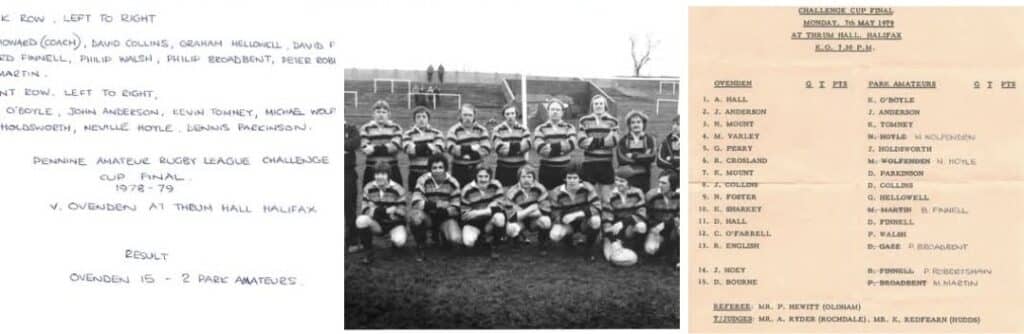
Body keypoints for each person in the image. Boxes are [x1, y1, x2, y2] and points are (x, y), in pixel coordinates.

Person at [407, 154, 462, 261]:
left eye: (440, 167)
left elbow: (456, 208)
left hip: (445, 217)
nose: (437, 170)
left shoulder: (453, 182)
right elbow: (416, 202)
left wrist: (442, 211)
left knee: (456, 239)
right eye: (434, 168)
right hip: (428, 216)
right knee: (415, 216)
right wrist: (437, 205)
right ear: (430, 169)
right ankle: (421, 245)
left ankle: (442, 235)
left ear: (445, 168)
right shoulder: (422, 180)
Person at [355, 161, 409, 265]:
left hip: (394, 224)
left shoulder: (398, 189)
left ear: (388, 175)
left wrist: (375, 209)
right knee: (361, 220)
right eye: (377, 174)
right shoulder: (368, 187)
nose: (379, 177)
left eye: (383, 174)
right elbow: (364, 209)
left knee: (399, 242)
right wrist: (385, 211)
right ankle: (368, 252)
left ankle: (395, 243)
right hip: (378, 224)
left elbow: (402, 212)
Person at [547, 163, 602, 261]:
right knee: (555, 235)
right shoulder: (556, 192)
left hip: (584, 221)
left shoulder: (588, 188)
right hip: (567, 222)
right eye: (569, 178)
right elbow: (554, 213)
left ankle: (588, 249)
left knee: (596, 221)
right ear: (565, 178)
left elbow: (597, 207)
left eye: (575, 178)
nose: (572, 181)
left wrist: (577, 214)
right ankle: (568, 242)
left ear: (580, 179)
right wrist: (562, 218)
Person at [601, 167, 647, 267]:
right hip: (614, 229)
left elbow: (642, 214)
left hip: (629, 225)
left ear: (629, 182)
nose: (618, 183)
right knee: (610, 258)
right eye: (616, 180)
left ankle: (637, 249)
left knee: (641, 226)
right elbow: (606, 220)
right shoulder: (609, 195)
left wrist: (624, 222)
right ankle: (614, 243)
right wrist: (613, 241)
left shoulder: (638, 192)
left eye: (622, 181)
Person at [577, 94, 619, 200]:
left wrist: (592, 141)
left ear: (605, 105)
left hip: (606, 163)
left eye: (601, 103)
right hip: (589, 163)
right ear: (592, 106)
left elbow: (614, 141)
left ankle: (605, 215)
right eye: (596, 104)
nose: (598, 106)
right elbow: (581, 142)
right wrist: (604, 141)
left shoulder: (613, 121)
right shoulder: (584, 120)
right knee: (590, 196)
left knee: (606, 197)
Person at [459, 166, 507, 259]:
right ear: (475, 177)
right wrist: (490, 208)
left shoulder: (496, 185)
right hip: (474, 223)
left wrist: (479, 212)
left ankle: (495, 245)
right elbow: (465, 215)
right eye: (480, 176)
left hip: (490, 220)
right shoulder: (467, 190)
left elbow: (501, 206)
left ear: (490, 177)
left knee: (500, 217)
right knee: (468, 242)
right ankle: (482, 239)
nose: (483, 179)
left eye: (486, 176)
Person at [533, 98, 577, 190]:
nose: (555, 112)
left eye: (558, 109)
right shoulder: (540, 128)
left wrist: (551, 148)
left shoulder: (569, 127)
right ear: (548, 111)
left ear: (562, 112)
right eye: (552, 109)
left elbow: (572, 144)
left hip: (565, 169)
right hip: (547, 170)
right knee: (548, 198)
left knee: (564, 196)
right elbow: (540, 148)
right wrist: (561, 150)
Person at [504, 166, 550, 254]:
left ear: (533, 178)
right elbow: (511, 216)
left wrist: (521, 211)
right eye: (523, 177)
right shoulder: (512, 191)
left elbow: (545, 211)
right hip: (519, 221)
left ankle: (542, 244)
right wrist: (531, 208)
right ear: (519, 178)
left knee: (546, 221)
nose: (526, 180)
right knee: (510, 228)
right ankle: (515, 241)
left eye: (529, 177)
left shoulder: (540, 188)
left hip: (533, 220)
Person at [446, 103, 491, 187]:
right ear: (460, 115)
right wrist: (470, 148)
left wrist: (470, 156)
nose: (467, 118)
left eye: (470, 115)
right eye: (465, 115)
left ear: (474, 116)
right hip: (458, 169)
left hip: (477, 168)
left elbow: (486, 148)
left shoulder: (481, 130)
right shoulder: (453, 130)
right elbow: (451, 148)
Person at [359, 100, 403, 186]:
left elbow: (394, 147)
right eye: (378, 112)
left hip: (392, 169)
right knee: (370, 196)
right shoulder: (365, 128)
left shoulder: (396, 127)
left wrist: (374, 148)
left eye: (384, 112)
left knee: (394, 196)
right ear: (373, 114)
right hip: (371, 169)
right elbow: (365, 149)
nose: (381, 114)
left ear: (389, 114)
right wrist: (386, 147)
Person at [402, 106, 445, 189]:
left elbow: (438, 151)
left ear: (428, 119)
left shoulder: (437, 133)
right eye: (418, 117)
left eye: (424, 116)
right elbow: (410, 151)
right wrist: (428, 146)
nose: (421, 119)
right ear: (414, 119)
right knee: (415, 199)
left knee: (432, 197)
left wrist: (417, 148)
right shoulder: (408, 134)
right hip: (414, 173)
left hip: (432, 173)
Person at [491, 102, 531, 187]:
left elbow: (527, 145)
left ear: (516, 114)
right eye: (507, 114)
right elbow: (499, 149)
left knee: (519, 194)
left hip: (520, 169)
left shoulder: (523, 129)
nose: (510, 116)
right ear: (504, 115)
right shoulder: (497, 129)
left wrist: (508, 146)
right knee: (504, 194)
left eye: (512, 113)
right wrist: (518, 148)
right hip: (503, 169)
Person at [645, 171, 680, 269]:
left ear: (672, 184)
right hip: (656, 229)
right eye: (659, 182)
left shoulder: (680, 196)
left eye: (664, 183)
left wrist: (667, 224)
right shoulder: (651, 195)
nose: (660, 185)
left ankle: (677, 258)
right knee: (651, 250)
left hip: (673, 226)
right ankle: (665, 246)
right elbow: (646, 215)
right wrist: (653, 228)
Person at [616, 110, 657, 192]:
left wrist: (633, 155)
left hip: (644, 176)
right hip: (628, 177)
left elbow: (651, 157)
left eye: (638, 122)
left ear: (643, 124)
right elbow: (621, 159)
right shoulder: (623, 140)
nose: (636, 125)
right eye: (633, 122)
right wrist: (642, 157)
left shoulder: (649, 139)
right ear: (629, 125)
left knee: (644, 200)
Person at [344, 122, 362, 253]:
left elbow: (354, 143)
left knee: (349, 206)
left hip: (347, 172)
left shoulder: (351, 128)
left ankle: (352, 241)